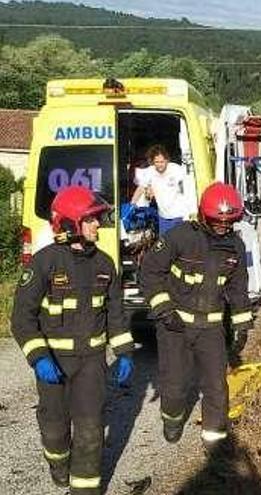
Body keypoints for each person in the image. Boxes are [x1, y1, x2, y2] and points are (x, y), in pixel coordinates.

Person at [11, 186, 134, 494]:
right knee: (55, 431)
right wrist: (39, 357)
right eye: (91, 220)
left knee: (91, 429)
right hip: (53, 362)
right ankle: (58, 465)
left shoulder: (106, 265)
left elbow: (116, 315)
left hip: (92, 364)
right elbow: (21, 319)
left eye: (97, 219)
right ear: (69, 224)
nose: (98, 225)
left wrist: (124, 352)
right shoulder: (44, 263)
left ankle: (86, 489)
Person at [141, 182, 254, 452]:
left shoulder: (235, 247)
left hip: (211, 329)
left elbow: (238, 289)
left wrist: (241, 326)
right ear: (204, 216)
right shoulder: (180, 237)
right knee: (174, 385)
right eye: (217, 223)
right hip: (175, 326)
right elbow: (150, 272)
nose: (223, 228)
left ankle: (215, 444)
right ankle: (172, 420)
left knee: (216, 387)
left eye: (228, 223)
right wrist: (164, 309)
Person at [131, 144, 197, 235]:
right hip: (163, 217)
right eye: (157, 162)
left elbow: (187, 189)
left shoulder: (176, 169)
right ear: (153, 162)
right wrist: (132, 204)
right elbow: (141, 188)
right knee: (165, 246)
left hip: (179, 215)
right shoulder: (150, 171)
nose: (160, 165)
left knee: (180, 244)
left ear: (167, 160)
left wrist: (192, 210)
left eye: (162, 162)